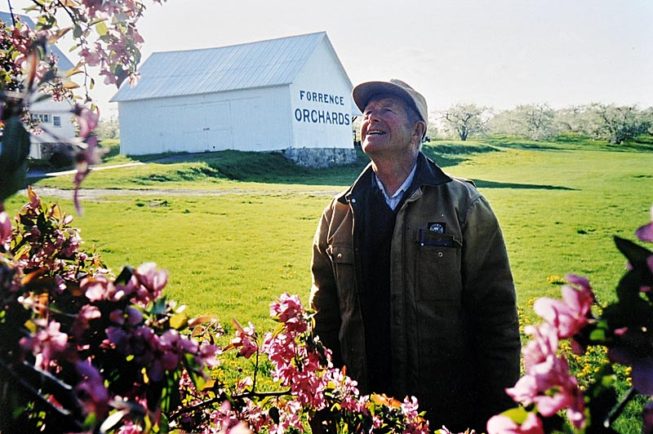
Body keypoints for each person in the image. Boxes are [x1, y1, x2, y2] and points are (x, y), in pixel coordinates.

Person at [309, 79, 521, 431]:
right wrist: (325, 405)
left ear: (417, 131)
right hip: (361, 411)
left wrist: (497, 412)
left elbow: (496, 319)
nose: (371, 118)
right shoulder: (339, 212)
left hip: (445, 413)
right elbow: (324, 318)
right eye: (367, 112)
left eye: (386, 110)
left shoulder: (463, 206)